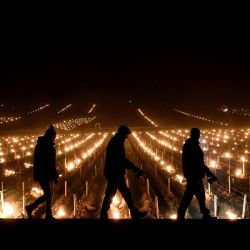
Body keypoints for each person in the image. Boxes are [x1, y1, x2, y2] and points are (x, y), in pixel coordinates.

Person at [100, 125, 147, 219]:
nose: (126, 137)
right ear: (122, 134)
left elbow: (122, 160)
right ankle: (103, 214)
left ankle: (134, 212)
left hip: (116, 172)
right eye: (126, 135)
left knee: (126, 193)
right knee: (110, 194)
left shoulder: (116, 141)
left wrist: (134, 168)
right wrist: (134, 168)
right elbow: (122, 160)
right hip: (114, 173)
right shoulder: (117, 142)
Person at [177, 128, 217, 219]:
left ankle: (204, 212)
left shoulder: (193, 144)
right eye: (197, 134)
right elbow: (194, 163)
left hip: (196, 176)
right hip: (194, 176)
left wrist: (209, 174)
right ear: (193, 134)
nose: (199, 136)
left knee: (200, 194)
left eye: (199, 134)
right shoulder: (191, 145)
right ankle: (180, 214)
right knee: (188, 196)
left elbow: (200, 162)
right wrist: (196, 177)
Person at [25, 125, 58, 219]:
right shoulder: (46, 146)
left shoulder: (43, 144)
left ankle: (48, 214)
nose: (54, 139)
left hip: (46, 173)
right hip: (44, 173)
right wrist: (54, 175)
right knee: (48, 194)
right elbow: (49, 162)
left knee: (50, 194)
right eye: (54, 137)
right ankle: (30, 207)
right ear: (50, 136)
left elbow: (51, 162)